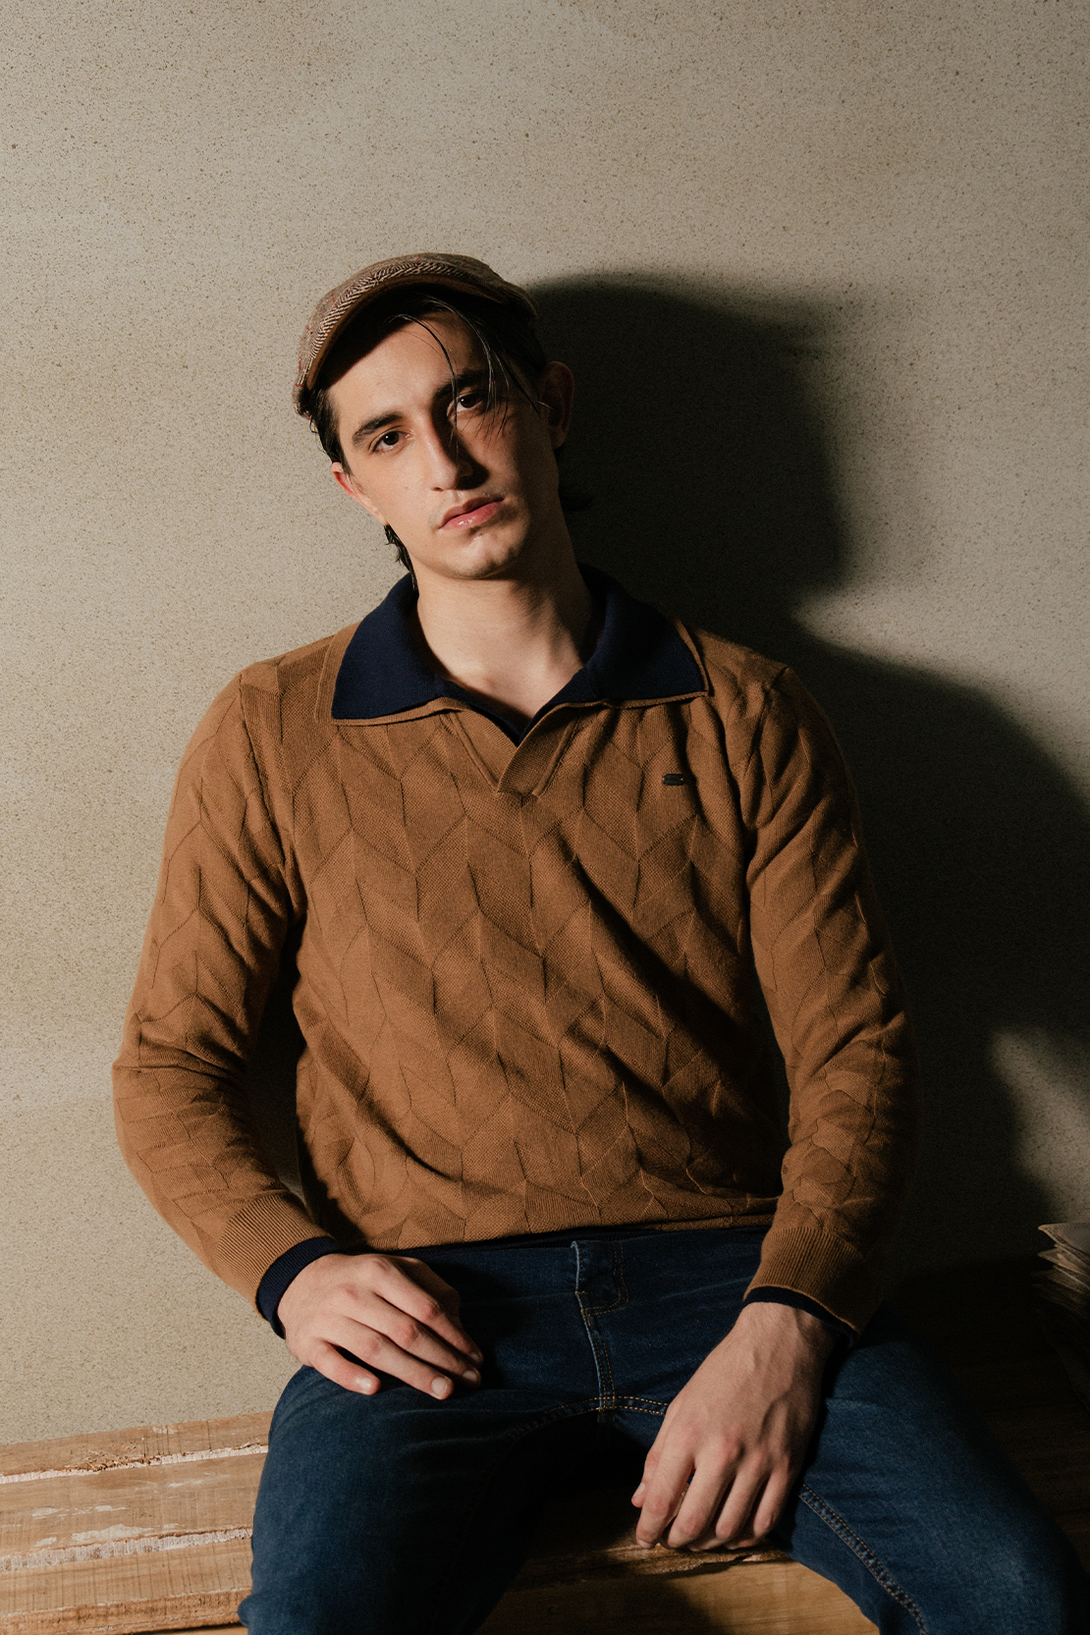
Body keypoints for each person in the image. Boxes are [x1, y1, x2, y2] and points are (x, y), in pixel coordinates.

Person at [113, 252, 1088, 1634]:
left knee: (1018, 1595)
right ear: (353, 486)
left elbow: (857, 1055)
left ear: (551, 406)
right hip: (432, 1311)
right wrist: (293, 1270)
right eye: (387, 435)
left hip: (732, 1274)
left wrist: (791, 1320)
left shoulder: (746, 709)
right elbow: (169, 1066)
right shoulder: (271, 729)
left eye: (472, 399)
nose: (445, 460)